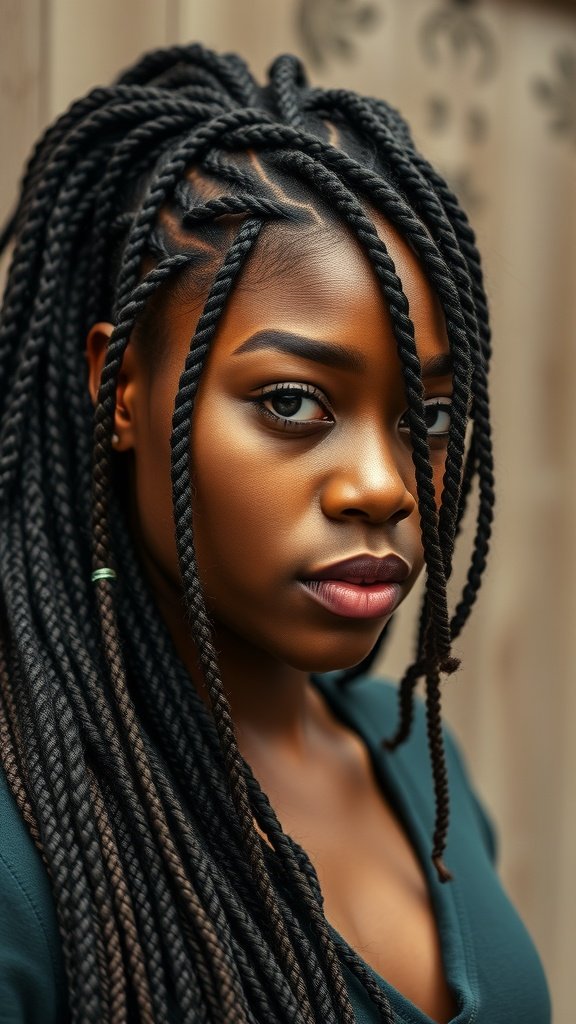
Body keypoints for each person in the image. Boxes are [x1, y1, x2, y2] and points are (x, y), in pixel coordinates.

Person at [0, 41, 550, 1024]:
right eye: (295, 402)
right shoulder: (27, 834)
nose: (383, 487)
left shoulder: (420, 757)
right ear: (120, 385)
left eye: (423, 418)